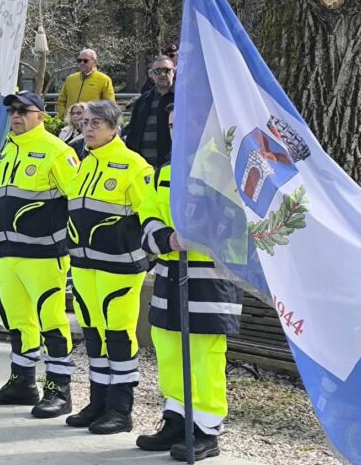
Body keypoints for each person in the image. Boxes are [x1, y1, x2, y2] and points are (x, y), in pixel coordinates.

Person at [135, 105, 242, 461]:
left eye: (183, 125)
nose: (175, 131)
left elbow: (235, 220)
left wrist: (194, 236)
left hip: (210, 278)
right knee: (168, 348)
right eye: (171, 125)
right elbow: (147, 214)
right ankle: (177, 418)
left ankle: (207, 428)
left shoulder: (225, 168)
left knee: (203, 355)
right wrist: (166, 239)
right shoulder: (165, 171)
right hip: (170, 273)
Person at [0, 91, 79, 416]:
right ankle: (23, 383)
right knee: (18, 321)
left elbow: (76, 201)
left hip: (45, 254)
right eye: (12, 111)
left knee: (51, 320)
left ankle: (59, 389)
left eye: (24, 110)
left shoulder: (57, 151)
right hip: (8, 254)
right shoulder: (6, 152)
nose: (16, 115)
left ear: (41, 115)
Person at [64, 99, 153, 434]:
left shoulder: (134, 165)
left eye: (96, 123)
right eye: (85, 122)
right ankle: (98, 402)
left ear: (114, 127)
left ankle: (120, 409)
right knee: (94, 336)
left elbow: (151, 217)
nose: (88, 128)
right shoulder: (84, 163)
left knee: (118, 336)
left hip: (120, 268)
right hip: (85, 267)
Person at [125, 55, 175, 169]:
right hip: (142, 166)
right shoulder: (142, 101)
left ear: (174, 72)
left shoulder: (182, 100)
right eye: (158, 71)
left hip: (170, 166)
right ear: (151, 74)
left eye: (166, 70)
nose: (162, 74)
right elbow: (132, 131)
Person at [56, 48, 115, 118]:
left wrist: (96, 120)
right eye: (79, 60)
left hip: (91, 125)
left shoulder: (104, 80)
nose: (82, 63)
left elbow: (109, 105)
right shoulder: (70, 79)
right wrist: (64, 116)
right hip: (70, 123)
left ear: (95, 62)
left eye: (85, 61)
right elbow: (61, 101)